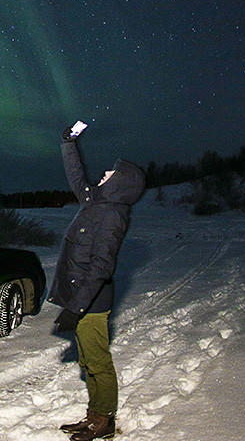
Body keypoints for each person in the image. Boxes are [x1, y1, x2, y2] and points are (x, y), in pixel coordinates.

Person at [49, 121, 145, 441]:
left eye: (110, 174)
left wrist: (75, 309)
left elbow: (102, 266)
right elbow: (77, 175)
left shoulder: (112, 215)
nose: (103, 174)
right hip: (82, 298)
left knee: (98, 360)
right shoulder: (96, 202)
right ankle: (94, 414)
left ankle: (104, 420)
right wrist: (69, 143)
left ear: (121, 185)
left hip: (91, 301)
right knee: (88, 359)